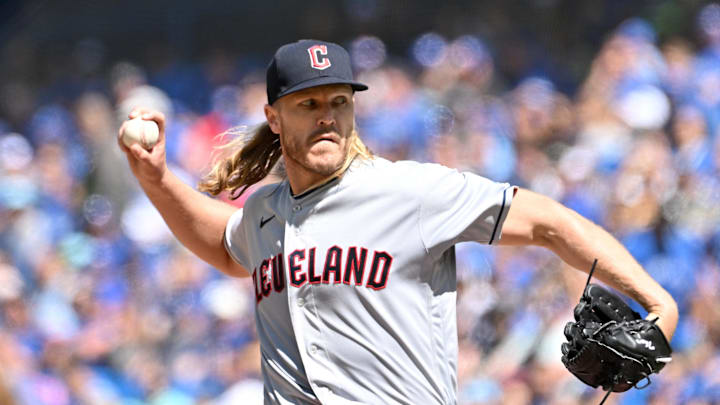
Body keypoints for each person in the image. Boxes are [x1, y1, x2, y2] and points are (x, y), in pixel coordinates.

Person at [118, 39, 678, 404]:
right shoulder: (265, 214)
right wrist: (155, 178)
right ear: (273, 116)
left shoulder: (408, 191)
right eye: (308, 105)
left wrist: (657, 299)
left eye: (338, 102)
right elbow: (221, 242)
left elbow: (548, 221)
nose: (327, 118)